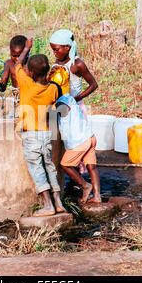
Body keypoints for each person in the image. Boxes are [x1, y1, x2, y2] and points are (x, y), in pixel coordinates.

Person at [10, 38, 66, 217]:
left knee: (37, 169)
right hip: (46, 135)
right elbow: (57, 97)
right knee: (50, 166)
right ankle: (58, 202)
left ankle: (47, 205)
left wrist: (26, 49)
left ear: (31, 73)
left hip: (31, 137)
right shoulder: (53, 89)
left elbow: (17, 66)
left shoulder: (27, 86)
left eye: (28, 70)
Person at [49, 29, 98, 176]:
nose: (54, 53)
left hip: (76, 110)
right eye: (52, 49)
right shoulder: (56, 64)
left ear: (67, 47)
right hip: (62, 110)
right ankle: (74, 180)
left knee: (77, 145)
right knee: (67, 145)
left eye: (56, 50)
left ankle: (80, 181)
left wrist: (75, 99)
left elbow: (93, 85)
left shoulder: (77, 64)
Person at [56, 93, 101, 204]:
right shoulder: (70, 98)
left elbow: (59, 114)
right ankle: (97, 196)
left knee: (65, 165)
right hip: (89, 137)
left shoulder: (60, 104)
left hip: (79, 141)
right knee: (92, 167)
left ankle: (85, 186)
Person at [0, 35, 29, 104]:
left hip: (31, 100)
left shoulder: (31, 64)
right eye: (14, 56)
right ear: (10, 53)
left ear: (27, 53)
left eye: (20, 56)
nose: (17, 59)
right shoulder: (9, 64)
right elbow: (3, 88)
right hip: (17, 100)